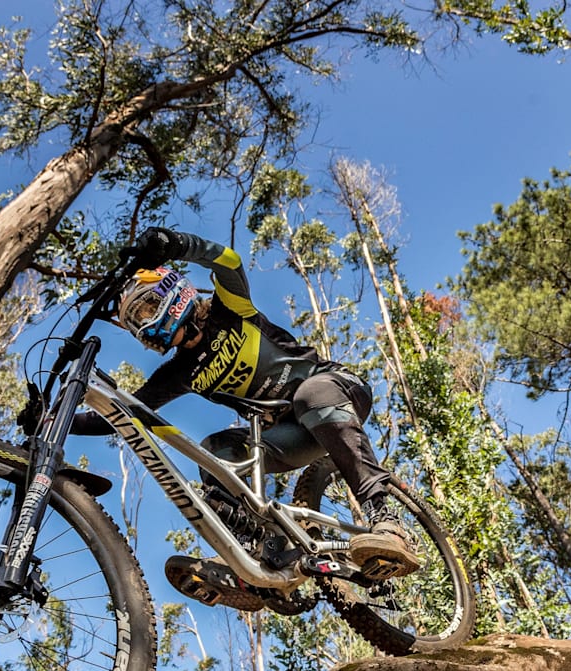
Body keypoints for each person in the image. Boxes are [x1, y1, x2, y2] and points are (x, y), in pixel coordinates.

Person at [102, 226, 418, 610]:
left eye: (148, 307)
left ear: (173, 290)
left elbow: (228, 262)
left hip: (336, 391)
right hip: (292, 436)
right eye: (138, 321)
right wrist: (58, 417)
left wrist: (177, 244)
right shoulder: (178, 372)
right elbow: (118, 414)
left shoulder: (229, 309)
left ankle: (386, 520)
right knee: (213, 456)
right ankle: (262, 558)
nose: (146, 322)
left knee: (309, 393)